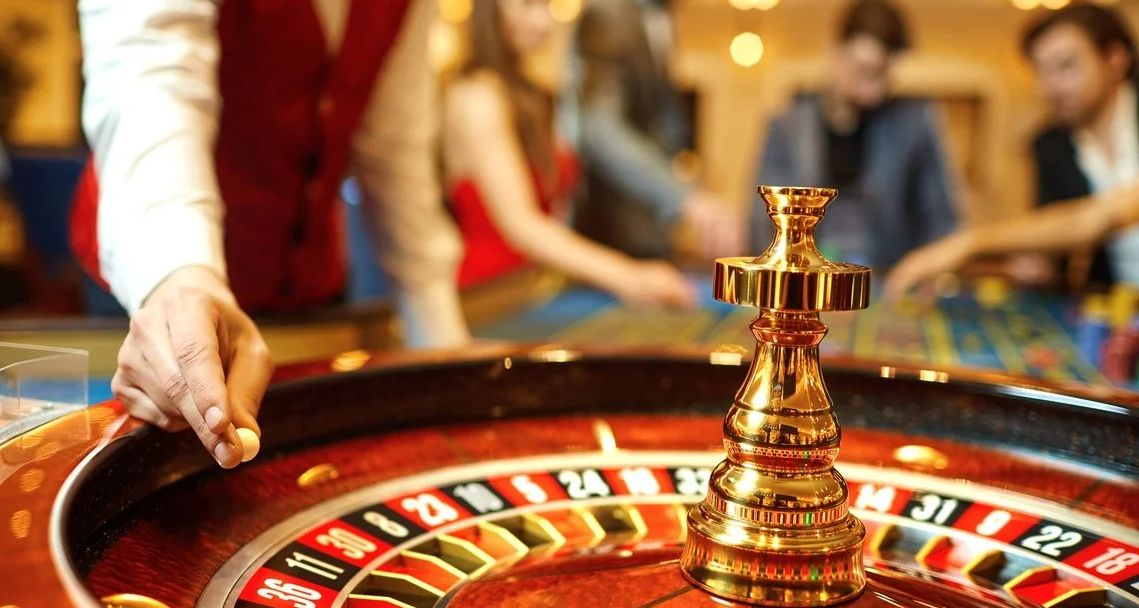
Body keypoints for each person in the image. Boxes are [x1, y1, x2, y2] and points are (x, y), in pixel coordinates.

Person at [70, 0, 471, 468]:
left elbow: (393, 142)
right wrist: (180, 278)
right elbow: (149, 78)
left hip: (308, 285)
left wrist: (447, 357)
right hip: (153, 273)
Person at [442, 0, 695, 308]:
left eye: (547, 6)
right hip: (489, 297)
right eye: (528, 5)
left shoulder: (529, 95)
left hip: (533, 288)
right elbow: (522, 224)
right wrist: (628, 275)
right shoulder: (476, 97)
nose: (543, 22)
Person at [885, 3, 1139, 298]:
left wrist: (969, 243)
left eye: (1066, 65)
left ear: (1115, 60)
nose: (1050, 87)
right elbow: (1054, 237)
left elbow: (1095, 219)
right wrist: (1036, 260)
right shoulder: (1049, 144)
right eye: (1041, 72)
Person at [750, 0, 961, 269]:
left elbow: (941, 217)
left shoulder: (914, 125)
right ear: (834, 52)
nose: (874, 91)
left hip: (886, 283)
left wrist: (930, 267)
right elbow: (761, 217)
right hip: (806, 280)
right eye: (864, 71)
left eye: (883, 74)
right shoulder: (787, 125)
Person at [565, 0, 744, 263]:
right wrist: (686, 199)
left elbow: (664, 127)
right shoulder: (608, 12)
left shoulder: (660, 21)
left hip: (648, 233)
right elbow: (600, 130)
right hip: (610, 234)